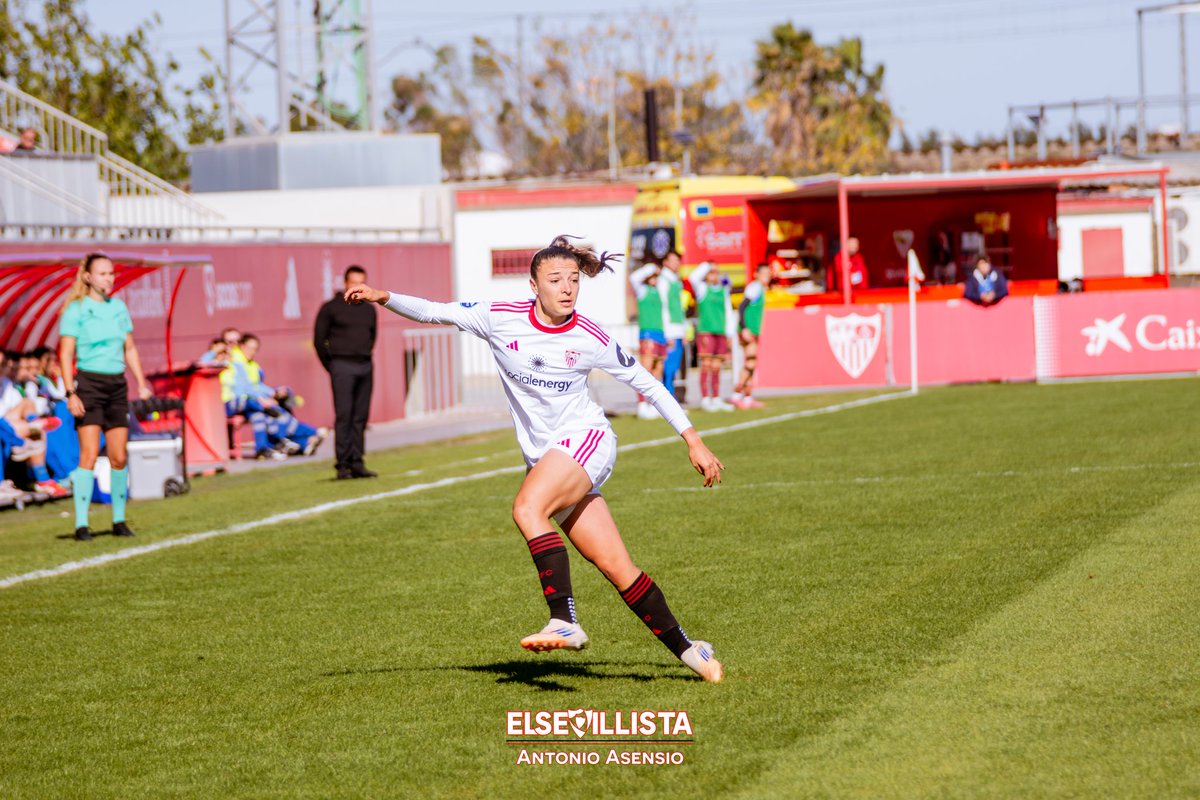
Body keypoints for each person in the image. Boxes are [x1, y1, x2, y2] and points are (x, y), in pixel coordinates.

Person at [346, 235, 726, 682]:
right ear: (533, 284)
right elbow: (435, 310)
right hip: (548, 457)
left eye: (572, 280)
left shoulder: (590, 336)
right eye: (555, 279)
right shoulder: (499, 318)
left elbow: (650, 385)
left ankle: (564, 620)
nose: (567, 288)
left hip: (586, 441)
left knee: (527, 508)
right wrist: (382, 296)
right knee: (617, 567)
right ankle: (692, 651)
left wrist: (693, 440)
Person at [59, 252, 153, 540]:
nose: (109, 278)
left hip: (117, 386)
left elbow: (130, 348)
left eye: (111, 273)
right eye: (103, 273)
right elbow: (65, 354)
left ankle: (119, 520)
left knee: (118, 456)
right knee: (88, 455)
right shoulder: (76, 310)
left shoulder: (119, 308)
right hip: (89, 385)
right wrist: (70, 392)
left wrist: (141, 381)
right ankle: (81, 525)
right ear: (88, 277)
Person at [314, 264, 378, 480]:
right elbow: (318, 341)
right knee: (344, 415)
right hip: (342, 365)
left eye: (362, 282)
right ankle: (342, 465)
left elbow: (372, 337)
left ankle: (357, 462)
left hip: (365, 365)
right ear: (345, 284)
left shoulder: (369, 309)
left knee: (360, 417)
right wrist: (332, 366)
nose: (358, 287)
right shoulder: (331, 307)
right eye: (354, 282)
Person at [688, 262, 735, 412]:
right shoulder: (702, 289)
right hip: (706, 331)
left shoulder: (723, 290)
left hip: (719, 331)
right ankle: (705, 398)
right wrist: (707, 265)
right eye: (711, 272)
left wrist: (730, 333)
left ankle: (716, 397)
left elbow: (728, 311)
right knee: (706, 365)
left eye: (716, 272)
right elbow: (692, 277)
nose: (715, 275)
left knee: (717, 367)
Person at [629, 263, 667, 420]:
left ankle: (653, 405)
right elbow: (633, 278)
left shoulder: (658, 291)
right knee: (645, 370)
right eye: (651, 276)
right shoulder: (642, 290)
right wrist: (651, 267)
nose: (654, 279)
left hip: (660, 334)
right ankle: (641, 404)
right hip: (648, 334)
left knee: (657, 371)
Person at [731, 264, 771, 410]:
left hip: (753, 331)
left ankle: (747, 396)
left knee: (752, 362)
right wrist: (745, 328)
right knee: (750, 361)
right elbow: (742, 306)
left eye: (769, 273)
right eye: (765, 273)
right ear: (757, 274)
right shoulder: (754, 288)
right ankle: (737, 394)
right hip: (748, 330)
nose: (768, 276)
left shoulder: (760, 288)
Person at [658, 250, 688, 400]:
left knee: (674, 367)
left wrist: (683, 331)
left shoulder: (676, 280)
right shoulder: (664, 281)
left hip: (677, 330)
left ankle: (672, 400)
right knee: (668, 369)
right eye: (673, 260)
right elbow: (663, 306)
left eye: (678, 260)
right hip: (670, 330)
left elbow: (679, 307)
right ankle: (667, 400)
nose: (677, 263)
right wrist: (667, 332)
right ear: (666, 262)